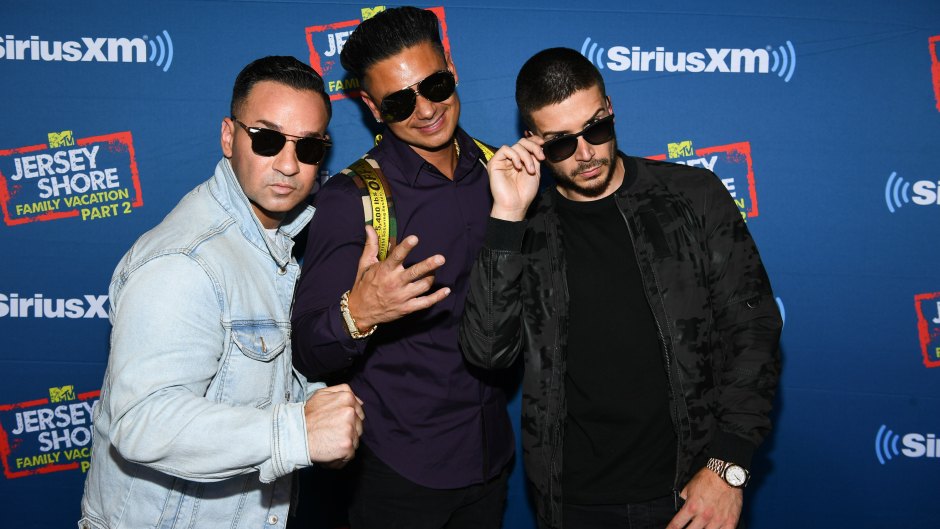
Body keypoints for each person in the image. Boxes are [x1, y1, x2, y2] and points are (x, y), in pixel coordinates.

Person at [459, 47, 782, 529]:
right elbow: (487, 353)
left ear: (610, 109)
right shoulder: (527, 228)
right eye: (561, 142)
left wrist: (726, 468)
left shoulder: (691, 198)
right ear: (533, 142)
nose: (586, 153)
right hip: (572, 502)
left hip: (691, 490)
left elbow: (752, 329)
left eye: (595, 129)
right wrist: (507, 216)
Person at [78, 56, 365, 529]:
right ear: (229, 137)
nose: (289, 165)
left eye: (309, 147)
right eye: (268, 139)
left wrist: (318, 408)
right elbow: (143, 421)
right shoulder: (185, 261)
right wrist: (300, 432)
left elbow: (256, 376)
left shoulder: (279, 244)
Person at [291, 7, 514, 529]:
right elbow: (306, 348)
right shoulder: (353, 199)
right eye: (398, 101)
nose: (426, 109)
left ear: (450, 67)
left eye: (434, 84)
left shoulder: (500, 173)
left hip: (491, 458)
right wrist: (358, 313)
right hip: (399, 472)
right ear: (371, 106)